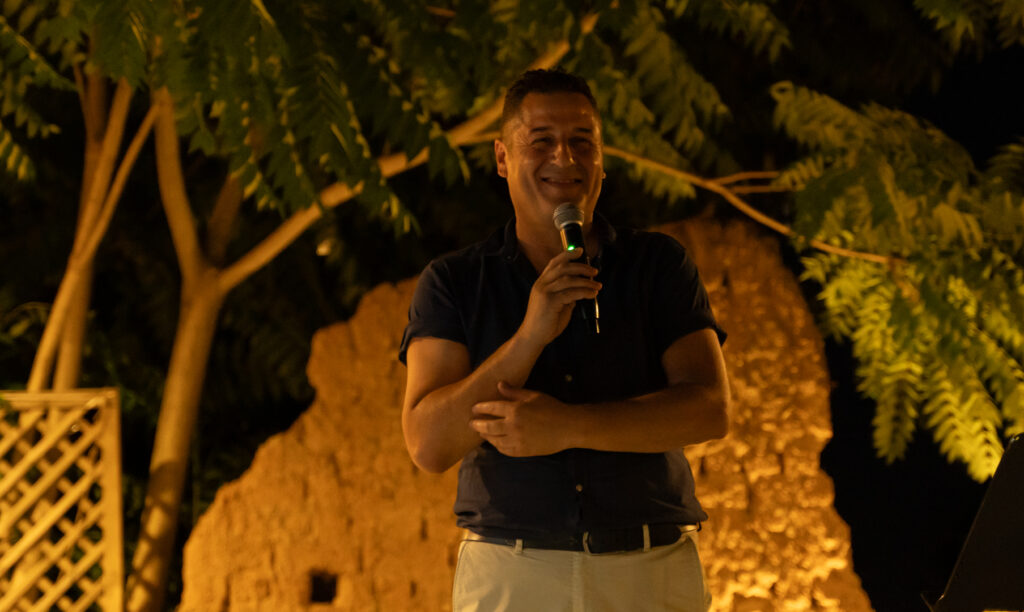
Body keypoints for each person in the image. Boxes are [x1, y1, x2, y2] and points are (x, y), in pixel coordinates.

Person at [399, 68, 730, 611]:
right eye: (541, 141)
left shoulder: (658, 265)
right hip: (513, 571)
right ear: (502, 157)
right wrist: (530, 336)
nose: (565, 157)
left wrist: (568, 426)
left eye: (582, 141)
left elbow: (710, 410)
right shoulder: (454, 282)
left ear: (601, 159)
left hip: (649, 569)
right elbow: (428, 445)